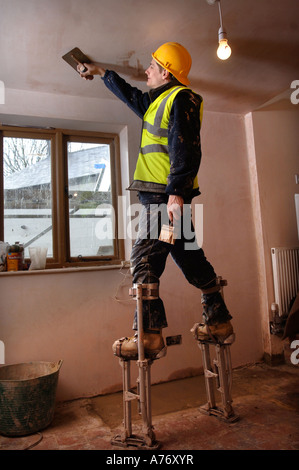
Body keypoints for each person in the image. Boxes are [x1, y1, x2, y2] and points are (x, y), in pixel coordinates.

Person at [78, 42, 233, 359]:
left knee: (144, 257)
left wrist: (176, 192)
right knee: (190, 257)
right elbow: (131, 96)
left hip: (165, 199)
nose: (146, 70)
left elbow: (186, 147)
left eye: (151, 66)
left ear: (166, 72)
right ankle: (219, 323)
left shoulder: (182, 98)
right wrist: (102, 72)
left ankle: (148, 335)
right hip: (167, 199)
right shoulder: (157, 101)